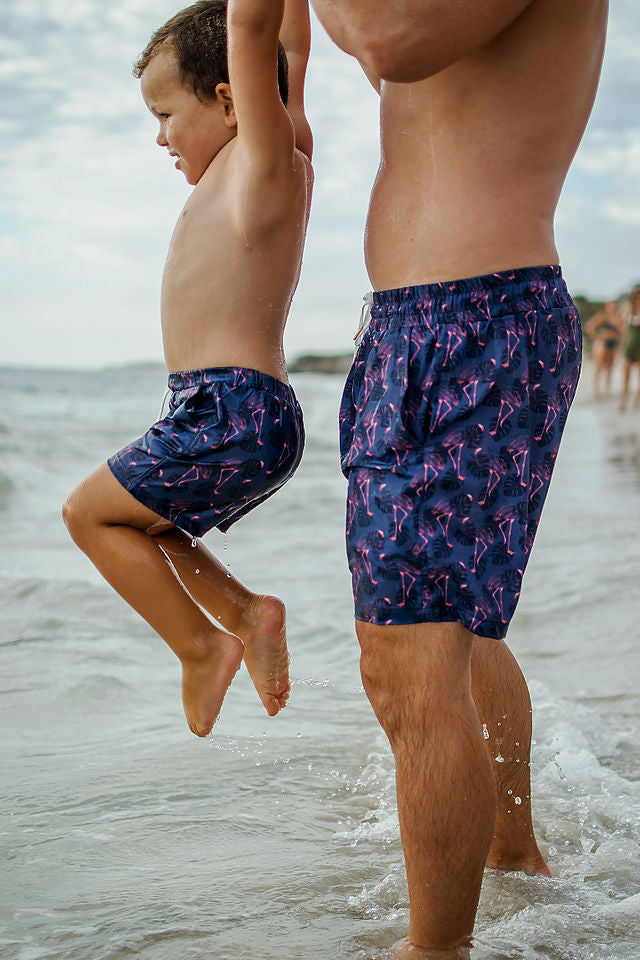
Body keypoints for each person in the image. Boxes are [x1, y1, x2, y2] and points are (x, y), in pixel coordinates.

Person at [310, 0, 608, 956]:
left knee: (408, 653)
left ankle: (436, 950)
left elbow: (390, 40)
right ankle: (512, 852)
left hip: (475, 317)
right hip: (417, 322)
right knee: (457, 635)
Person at [63, 0, 313, 738]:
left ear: (232, 100)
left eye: (166, 114)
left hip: (231, 407)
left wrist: (257, 30)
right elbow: (289, 43)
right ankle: (244, 611)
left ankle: (203, 646)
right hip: (225, 409)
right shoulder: (248, 165)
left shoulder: (264, 163)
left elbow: (260, 33)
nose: (159, 136)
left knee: (87, 513)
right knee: (155, 528)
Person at [586, 300, 624, 399]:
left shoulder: (618, 318)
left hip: (613, 343)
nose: (614, 308)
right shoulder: (603, 316)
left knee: (610, 368)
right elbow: (590, 327)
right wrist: (597, 337)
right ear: (608, 307)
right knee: (599, 367)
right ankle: (596, 390)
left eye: (615, 306)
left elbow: (623, 331)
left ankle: (607, 390)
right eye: (612, 306)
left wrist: (618, 337)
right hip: (602, 343)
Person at [619, 285, 640, 411]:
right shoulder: (629, 312)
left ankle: (636, 403)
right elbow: (624, 330)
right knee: (625, 377)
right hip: (629, 348)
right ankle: (623, 402)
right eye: (637, 297)